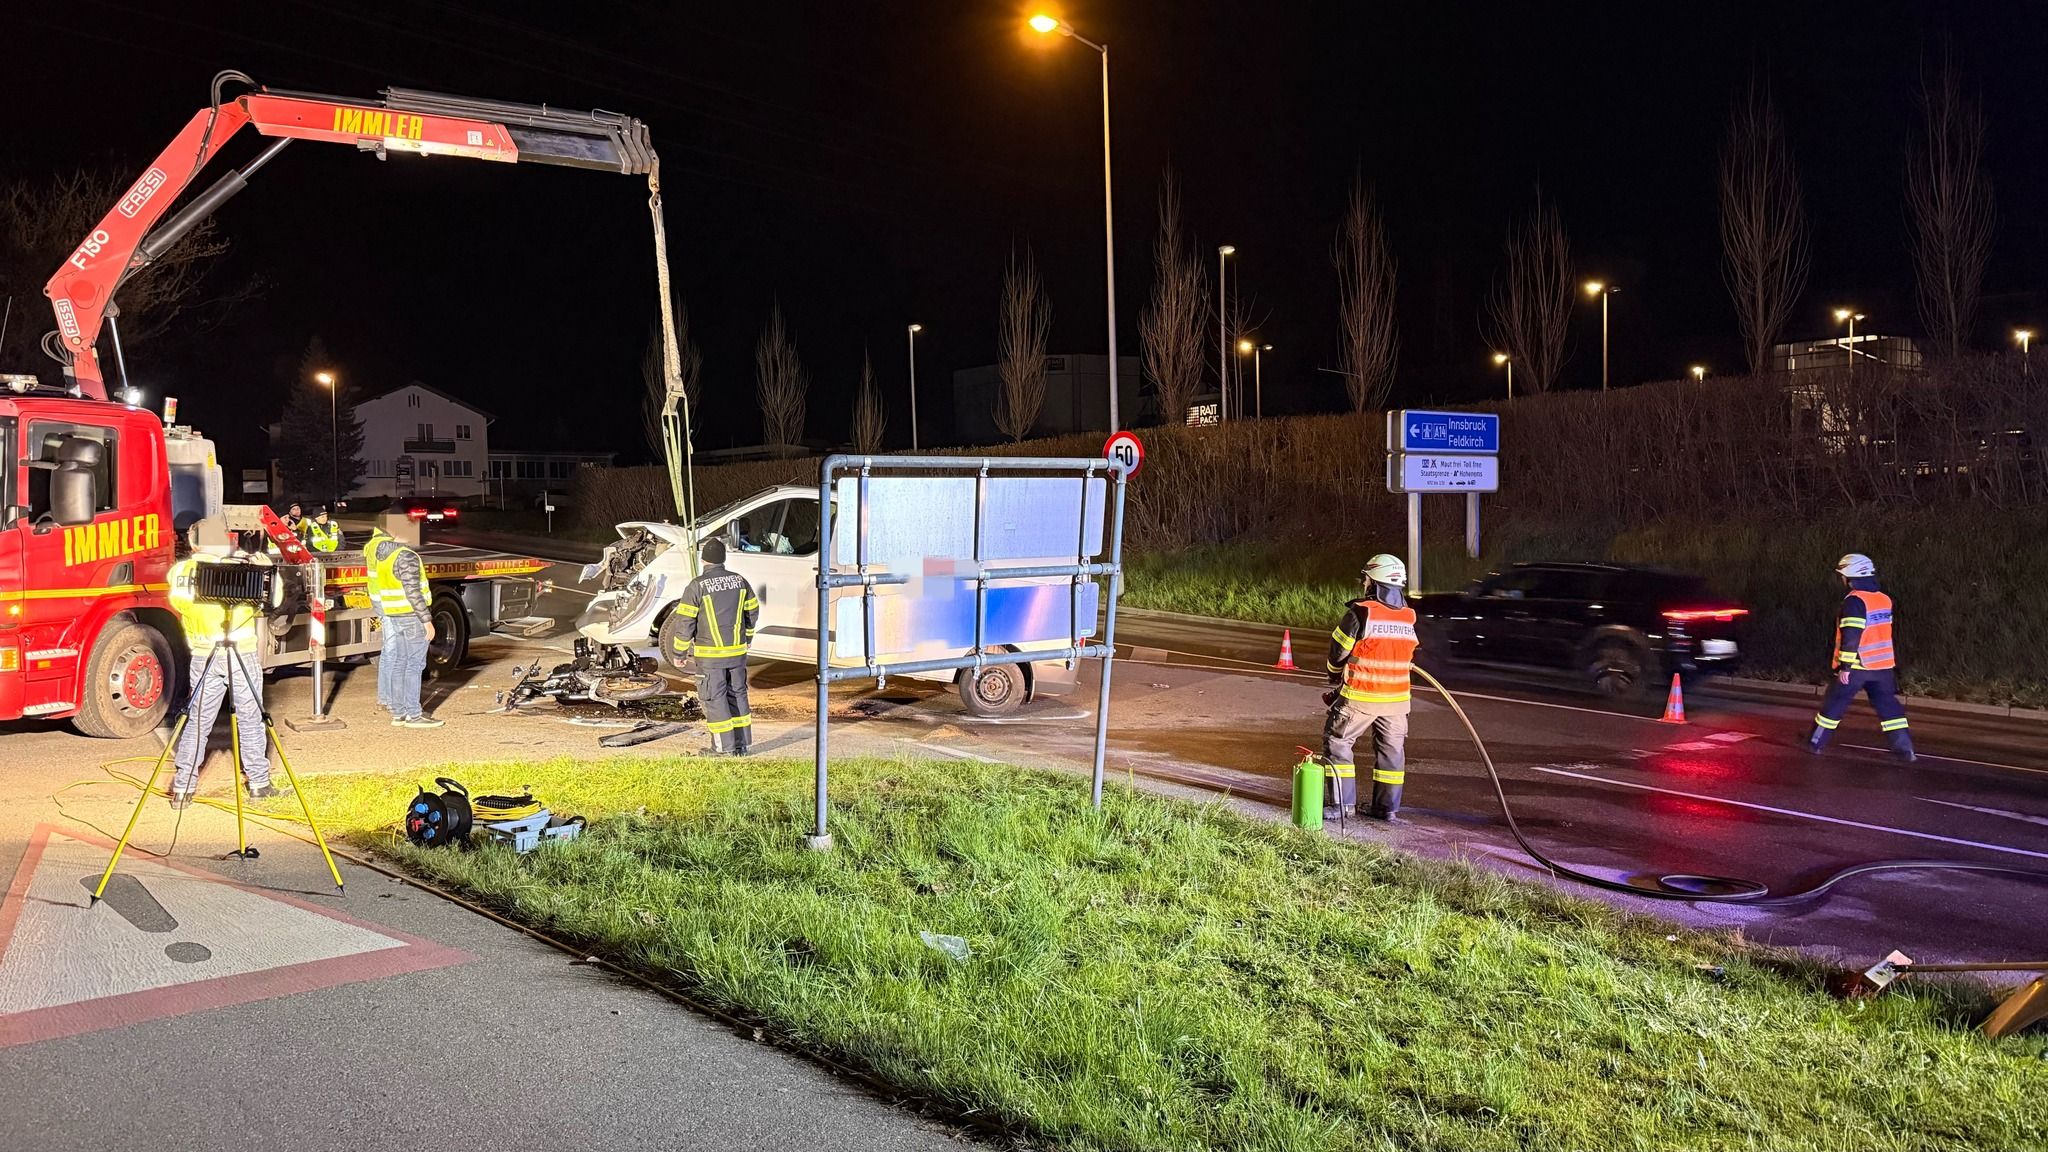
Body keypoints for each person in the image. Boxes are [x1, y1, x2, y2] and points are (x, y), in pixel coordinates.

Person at [165, 535, 282, 808]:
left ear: (192, 546)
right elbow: (271, 600)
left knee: (197, 722)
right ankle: (259, 784)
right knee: (250, 718)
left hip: (204, 654)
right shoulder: (239, 569)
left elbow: (179, 602)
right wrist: (264, 571)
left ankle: (183, 788)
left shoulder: (181, 572)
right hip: (240, 650)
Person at [1323, 553, 1420, 821]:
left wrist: (1333, 675)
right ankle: (1386, 810)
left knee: (1338, 743)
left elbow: (1338, 651)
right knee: (1391, 754)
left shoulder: (1361, 612)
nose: (1364, 583)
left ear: (1373, 583)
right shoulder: (1408, 616)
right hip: (1398, 702)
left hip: (1362, 696)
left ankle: (1341, 806)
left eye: (1366, 579)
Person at [1807, 553, 1914, 761]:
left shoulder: (1855, 601)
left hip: (1857, 666)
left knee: (1835, 704)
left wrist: (1845, 666)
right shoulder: (1884, 599)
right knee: (1888, 707)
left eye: (1843, 576)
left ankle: (1815, 742)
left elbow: (1852, 636)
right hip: (1882, 667)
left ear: (1850, 576)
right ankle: (1905, 749)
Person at [666, 538, 760, 755]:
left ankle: (722, 749)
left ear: (703, 559)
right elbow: (752, 612)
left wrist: (679, 653)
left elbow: (685, 622)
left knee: (714, 700)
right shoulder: (740, 581)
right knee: (737, 696)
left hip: (711, 659)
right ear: (724, 559)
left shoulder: (697, 586)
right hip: (737, 655)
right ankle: (742, 746)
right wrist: (746, 638)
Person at [365, 523, 443, 728]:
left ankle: (398, 713)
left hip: (395, 614)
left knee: (400, 663)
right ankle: (414, 715)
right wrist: (427, 620)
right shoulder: (406, 556)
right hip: (411, 616)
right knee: (414, 665)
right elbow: (413, 592)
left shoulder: (383, 556)